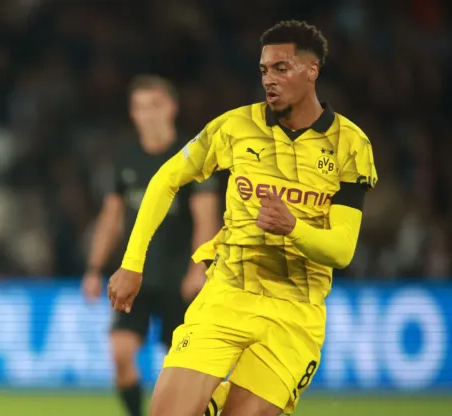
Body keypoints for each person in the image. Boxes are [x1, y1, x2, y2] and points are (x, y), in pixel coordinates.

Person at [108, 20, 378, 416]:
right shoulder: (235, 127)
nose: (269, 78)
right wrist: (132, 263)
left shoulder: (351, 145)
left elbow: (341, 250)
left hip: (295, 313)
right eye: (264, 69)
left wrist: (293, 228)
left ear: (311, 70)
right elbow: (165, 179)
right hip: (227, 294)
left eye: (281, 68)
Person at [81, 75, 226, 416]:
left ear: (172, 108)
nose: (148, 114)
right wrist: (94, 269)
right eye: (140, 107)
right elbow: (111, 218)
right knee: (119, 354)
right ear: (132, 114)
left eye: (155, 105)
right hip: (137, 276)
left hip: (180, 277)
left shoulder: (193, 159)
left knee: (182, 369)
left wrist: (198, 269)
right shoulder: (125, 161)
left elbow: (206, 217)